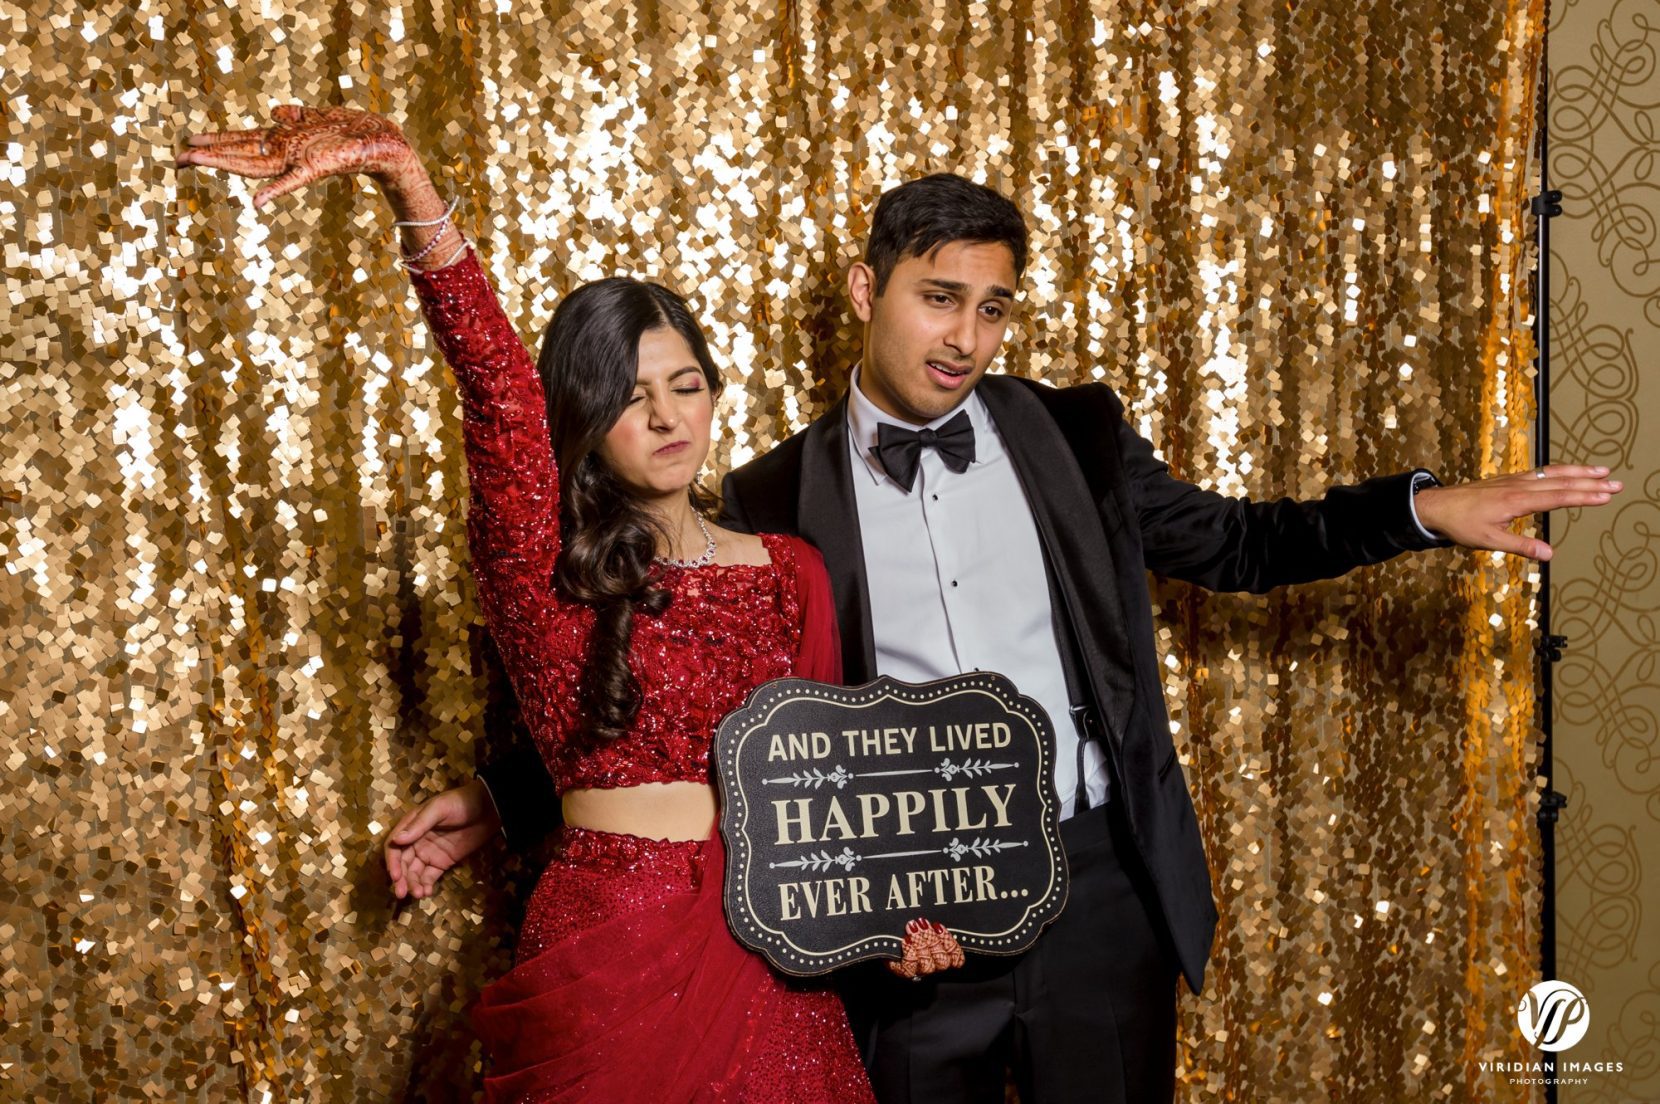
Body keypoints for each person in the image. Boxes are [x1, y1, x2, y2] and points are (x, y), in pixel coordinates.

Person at [360, 163, 1619, 1097]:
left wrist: (1418, 508)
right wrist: (502, 796)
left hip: (1095, 891)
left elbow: (1240, 546)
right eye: (938, 298)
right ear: (869, 288)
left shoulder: (1069, 436)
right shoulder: (766, 502)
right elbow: (673, 705)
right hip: (890, 920)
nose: (965, 336)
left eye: (995, 307)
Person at [176, 104, 968, 1103]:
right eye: (632, 397)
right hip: (613, 945)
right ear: (586, 420)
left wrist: (894, 923)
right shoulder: (545, 568)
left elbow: (833, 801)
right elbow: (497, 391)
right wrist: (408, 183)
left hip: (774, 960)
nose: (669, 415)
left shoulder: (790, 572)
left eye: (686, 385)